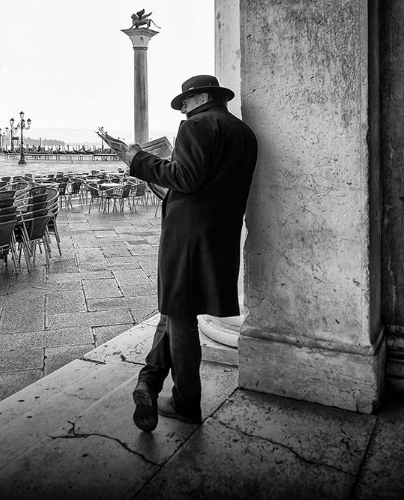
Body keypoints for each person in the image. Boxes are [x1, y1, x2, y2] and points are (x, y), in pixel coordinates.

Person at [124, 75, 258, 432]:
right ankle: (149, 383)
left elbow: (185, 178)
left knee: (179, 315)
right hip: (219, 236)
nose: (182, 109)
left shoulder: (197, 126)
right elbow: (208, 181)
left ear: (198, 98)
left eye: (183, 102)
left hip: (187, 237)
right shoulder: (243, 133)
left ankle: (186, 402)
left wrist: (138, 159)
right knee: (174, 309)